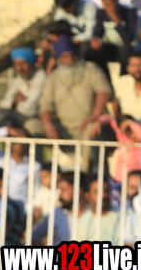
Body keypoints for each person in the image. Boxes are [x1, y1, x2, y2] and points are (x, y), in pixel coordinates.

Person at [38, 36, 112, 171]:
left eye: (73, 55)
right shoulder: (53, 78)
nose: (70, 60)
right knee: (34, 128)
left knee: (93, 129)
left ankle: (92, 174)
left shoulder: (90, 69)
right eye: (65, 56)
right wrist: (49, 127)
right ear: (59, 59)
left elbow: (104, 91)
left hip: (88, 124)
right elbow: (45, 106)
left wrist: (95, 115)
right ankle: (42, 173)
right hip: (64, 129)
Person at [85, 0, 138, 76]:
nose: (105, 5)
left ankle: (123, 80)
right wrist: (95, 40)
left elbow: (128, 40)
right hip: (109, 48)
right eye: (103, 2)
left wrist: (115, 17)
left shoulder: (129, 12)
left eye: (108, 2)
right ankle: (104, 79)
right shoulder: (101, 13)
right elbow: (97, 32)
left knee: (126, 52)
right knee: (89, 49)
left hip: (125, 49)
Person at [0, 47, 46, 131]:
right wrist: (15, 101)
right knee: (4, 116)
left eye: (23, 64)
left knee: (4, 114)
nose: (20, 68)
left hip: (35, 118)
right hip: (20, 116)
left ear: (31, 63)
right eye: (17, 64)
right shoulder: (19, 79)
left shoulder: (41, 77)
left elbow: (29, 109)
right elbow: (3, 104)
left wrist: (15, 104)